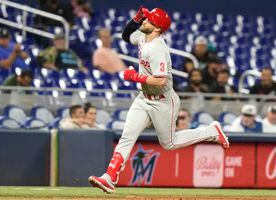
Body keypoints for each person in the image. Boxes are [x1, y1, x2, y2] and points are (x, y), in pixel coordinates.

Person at [88, 7, 229, 194]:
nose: (145, 21)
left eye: (149, 20)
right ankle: (110, 177)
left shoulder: (157, 49)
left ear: (157, 29)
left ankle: (211, 131)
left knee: (169, 143)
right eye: (145, 18)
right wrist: (136, 18)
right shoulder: (143, 36)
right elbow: (125, 35)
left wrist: (135, 77)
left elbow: (160, 79)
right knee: (127, 136)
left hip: (163, 101)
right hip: (143, 99)